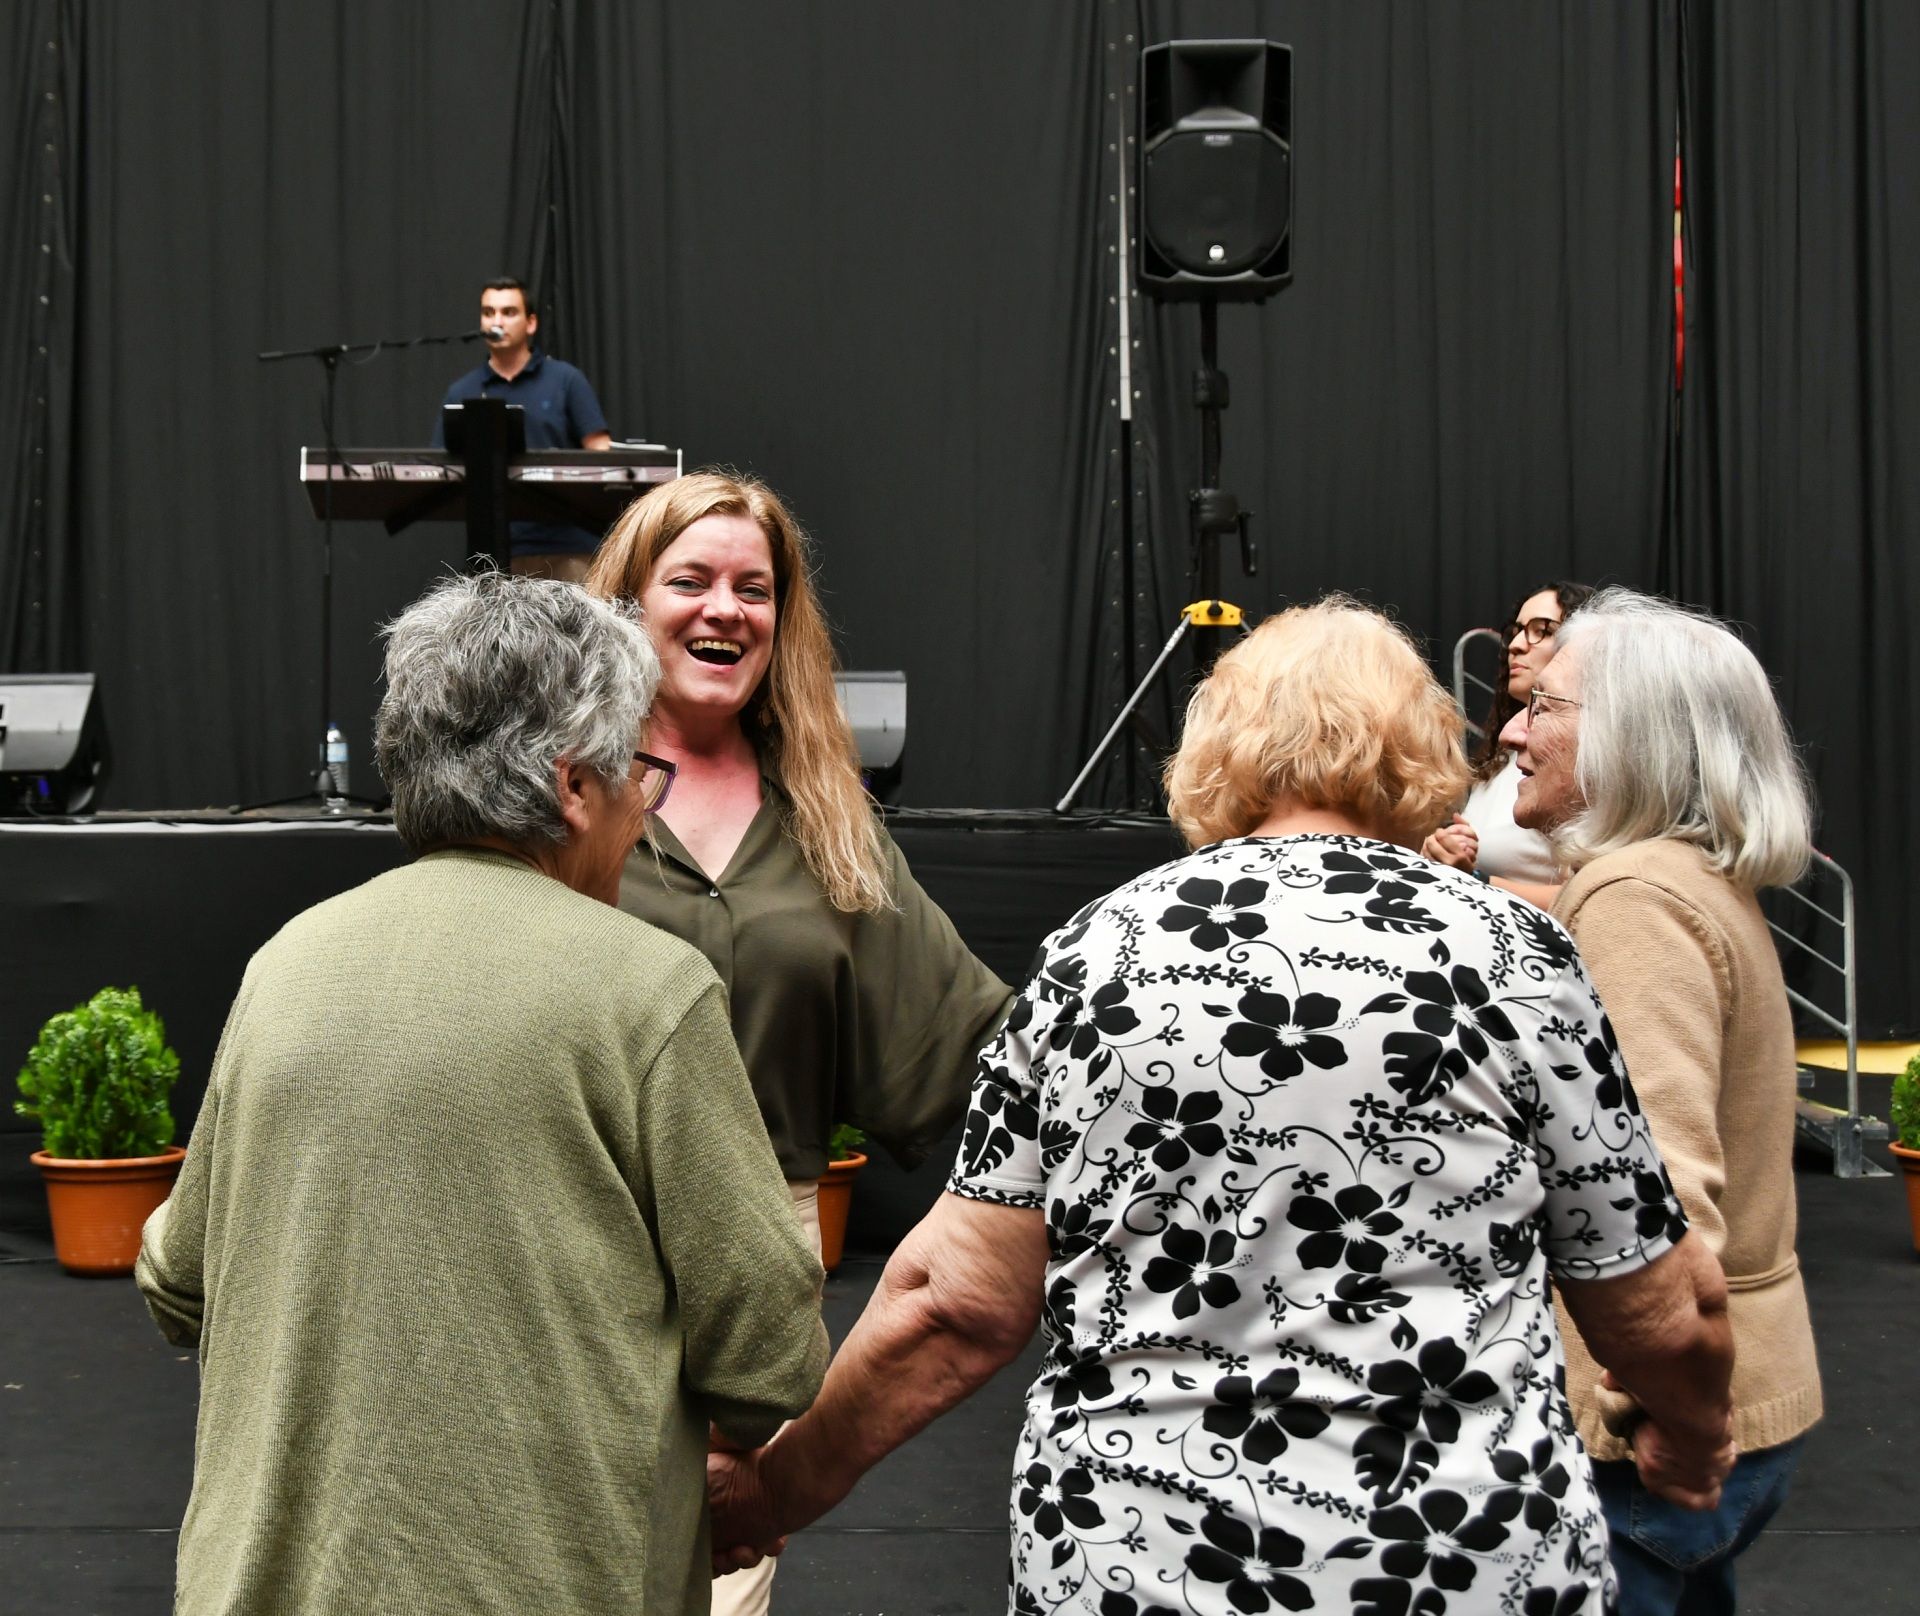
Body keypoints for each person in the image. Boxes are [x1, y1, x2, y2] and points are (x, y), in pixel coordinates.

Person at [708, 597, 1737, 1616]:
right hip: (1452, 1565)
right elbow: (1658, 1299)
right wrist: (1690, 1440)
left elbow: (950, 1299)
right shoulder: (1511, 954)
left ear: (1219, 746)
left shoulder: (1095, 954)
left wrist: (774, 1490)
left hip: (1139, 1564)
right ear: (1421, 747)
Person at [135, 574, 827, 1616]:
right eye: (638, 776)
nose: (642, 813)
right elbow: (768, 1352)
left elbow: (174, 1280)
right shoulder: (651, 989)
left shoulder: (286, 963)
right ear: (572, 785)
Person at [585, 469, 1014, 1616]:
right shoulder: (559, 792)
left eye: (754, 587)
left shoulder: (826, 811)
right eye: (691, 579)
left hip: (757, 1248)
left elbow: (980, 1036)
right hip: (573, 1225)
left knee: (718, 1571)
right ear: (627, 601)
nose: (725, 609)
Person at [1499, 587, 1823, 1615]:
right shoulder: (1685, 880)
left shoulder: (1636, 898)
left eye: (1544, 706)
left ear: (1630, 733)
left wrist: (1674, 1420)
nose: (1510, 730)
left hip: (1651, 1440)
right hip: (1726, 1404)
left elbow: (1661, 1212)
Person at [1423, 580, 1593, 907]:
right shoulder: (1502, 755)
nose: (1514, 645)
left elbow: (1590, 896)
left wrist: (1474, 881)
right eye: (1515, 631)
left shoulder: (1584, 760)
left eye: (1542, 631)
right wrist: (1447, 847)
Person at [433, 276, 614, 582]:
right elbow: (441, 470)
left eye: (508, 312)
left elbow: (603, 456)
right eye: (488, 313)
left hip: (570, 550)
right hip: (491, 557)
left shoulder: (566, 380)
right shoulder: (461, 391)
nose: (497, 321)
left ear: (531, 323)